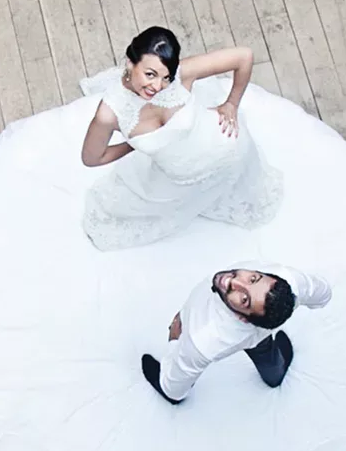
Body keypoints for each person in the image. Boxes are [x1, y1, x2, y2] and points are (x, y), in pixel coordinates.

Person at [78, 26, 283, 251]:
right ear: (130, 62)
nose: (157, 86)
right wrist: (132, 145)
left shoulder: (181, 75)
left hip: (228, 147)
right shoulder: (109, 114)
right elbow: (92, 159)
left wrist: (231, 103)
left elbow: (244, 56)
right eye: (150, 74)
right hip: (180, 177)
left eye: (165, 78)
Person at [140, 262, 332, 403]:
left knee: (260, 344)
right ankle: (275, 375)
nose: (235, 281)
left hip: (239, 333)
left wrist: (175, 340)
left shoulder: (203, 341)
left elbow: (174, 390)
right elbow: (322, 293)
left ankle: (274, 372)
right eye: (253, 279)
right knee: (265, 352)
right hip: (262, 329)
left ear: (243, 319)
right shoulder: (291, 281)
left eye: (244, 299)